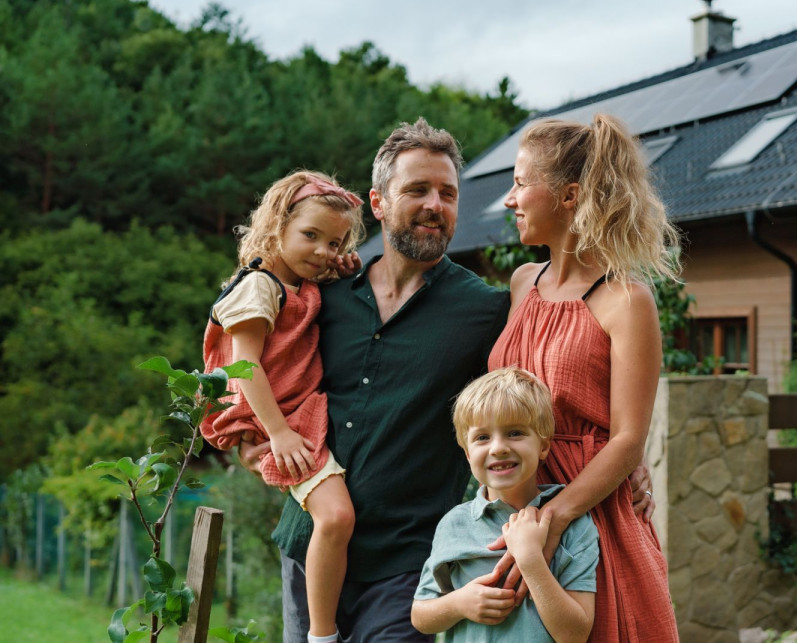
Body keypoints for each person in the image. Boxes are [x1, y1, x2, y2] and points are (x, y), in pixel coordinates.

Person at [238, 118, 511, 642]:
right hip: (309, 547)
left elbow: (536, 397)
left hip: (409, 564)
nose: (435, 204)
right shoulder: (321, 295)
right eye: (417, 189)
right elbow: (250, 361)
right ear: (379, 202)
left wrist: (629, 459)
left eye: (448, 193)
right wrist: (253, 437)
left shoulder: (484, 310)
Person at [487, 113, 681, 641]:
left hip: (591, 515)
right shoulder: (523, 282)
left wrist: (553, 520)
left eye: (522, 184)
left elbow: (627, 438)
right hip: (512, 498)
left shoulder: (627, 300)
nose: (510, 199)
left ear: (569, 196)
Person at [202, 171, 366, 643]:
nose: (322, 251)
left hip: (291, 415)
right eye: (310, 236)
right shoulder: (259, 287)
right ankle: (321, 634)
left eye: (334, 243)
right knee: (336, 517)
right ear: (276, 226)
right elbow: (245, 366)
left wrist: (343, 269)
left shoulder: (297, 282)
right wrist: (277, 433)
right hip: (277, 419)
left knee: (331, 518)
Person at [412, 366, 598, 642]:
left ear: (543, 446)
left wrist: (532, 560)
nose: (498, 447)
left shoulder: (574, 523)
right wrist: (459, 603)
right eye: (482, 437)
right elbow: (420, 616)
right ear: (467, 453)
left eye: (514, 433)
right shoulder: (455, 523)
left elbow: (575, 634)